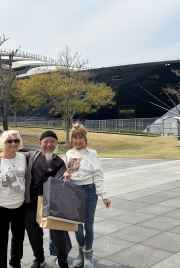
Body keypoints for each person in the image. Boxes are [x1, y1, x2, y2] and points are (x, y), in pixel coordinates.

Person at [64, 123, 111, 268]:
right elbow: (70, 171)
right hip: (74, 191)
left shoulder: (92, 153)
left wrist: (104, 195)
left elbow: (98, 175)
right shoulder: (69, 153)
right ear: (72, 139)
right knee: (77, 226)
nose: (78, 140)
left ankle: (88, 256)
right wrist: (67, 174)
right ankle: (81, 253)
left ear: (85, 139)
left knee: (88, 225)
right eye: (75, 138)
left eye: (80, 137)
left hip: (89, 191)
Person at [24, 130, 71, 268]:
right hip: (31, 202)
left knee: (59, 234)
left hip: (51, 203)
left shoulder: (59, 162)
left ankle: (63, 260)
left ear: (56, 144)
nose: (49, 144)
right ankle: (39, 259)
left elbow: (62, 176)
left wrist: (66, 176)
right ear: (40, 143)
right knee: (33, 233)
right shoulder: (31, 156)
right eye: (46, 141)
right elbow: (13, 154)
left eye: (52, 142)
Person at [0, 130, 26, 268]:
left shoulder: (23, 157)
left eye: (16, 140)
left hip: (19, 206)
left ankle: (16, 263)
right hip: (2, 207)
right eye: (9, 141)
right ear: (3, 143)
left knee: (18, 239)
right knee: (2, 240)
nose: (13, 143)